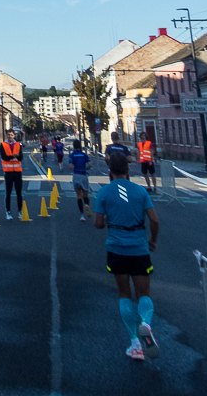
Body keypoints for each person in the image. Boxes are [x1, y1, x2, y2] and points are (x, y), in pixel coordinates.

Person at [94, 151, 160, 362]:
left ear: (110, 170)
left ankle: (135, 344)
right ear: (128, 169)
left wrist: (107, 222)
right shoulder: (140, 191)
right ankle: (146, 324)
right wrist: (153, 240)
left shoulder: (104, 192)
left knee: (124, 294)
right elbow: (154, 220)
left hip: (116, 248)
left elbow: (98, 223)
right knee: (144, 295)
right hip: (139, 248)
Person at [0, 130, 23, 220]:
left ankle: (20, 211)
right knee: (8, 193)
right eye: (8, 135)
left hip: (17, 171)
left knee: (19, 193)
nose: (10, 136)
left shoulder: (18, 144)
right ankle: (8, 212)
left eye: (12, 135)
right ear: (6, 135)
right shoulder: (3, 145)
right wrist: (14, 156)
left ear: (14, 136)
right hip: (8, 171)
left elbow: (21, 158)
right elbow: (4, 157)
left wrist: (17, 156)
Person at [69, 138, 92, 221]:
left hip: (76, 175)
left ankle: (82, 215)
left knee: (79, 196)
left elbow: (71, 166)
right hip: (84, 175)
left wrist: (75, 167)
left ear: (74, 146)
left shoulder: (72, 155)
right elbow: (90, 165)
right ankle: (87, 205)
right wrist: (85, 168)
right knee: (85, 194)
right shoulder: (84, 155)